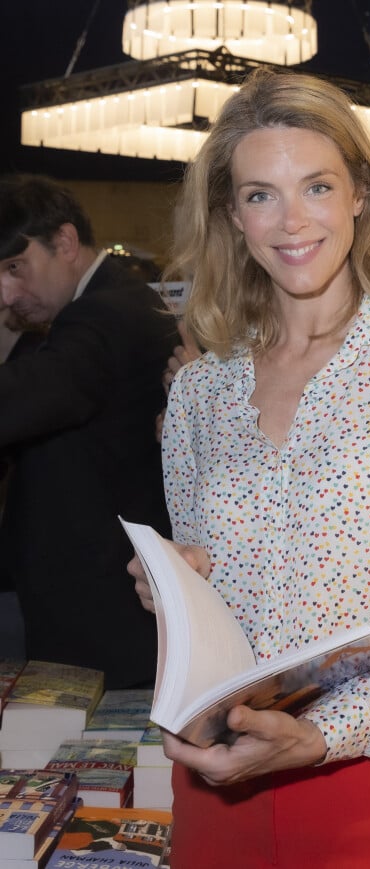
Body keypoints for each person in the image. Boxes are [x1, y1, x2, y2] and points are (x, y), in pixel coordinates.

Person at [130, 68, 370, 868]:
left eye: (317, 186)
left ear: (360, 193)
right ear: (233, 213)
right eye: (261, 194)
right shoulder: (201, 388)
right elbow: (213, 623)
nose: (291, 221)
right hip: (221, 783)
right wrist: (175, 590)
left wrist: (319, 734)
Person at [0, 174, 179, 688]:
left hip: (104, 605)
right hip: (98, 595)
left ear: (66, 242)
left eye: (16, 267)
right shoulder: (102, 307)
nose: (8, 293)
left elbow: (35, 395)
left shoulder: (106, 313)